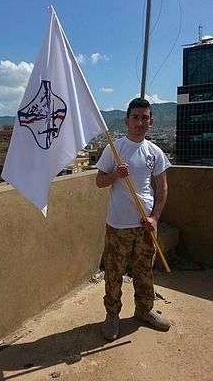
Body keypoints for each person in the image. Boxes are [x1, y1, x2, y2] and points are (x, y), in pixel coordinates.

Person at [96, 98, 171, 341]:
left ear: (151, 121)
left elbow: (162, 189)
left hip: (145, 226)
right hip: (118, 225)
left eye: (144, 118)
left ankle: (144, 310)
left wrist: (155, 218)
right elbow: (99, 181)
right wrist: (115, 175)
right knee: (114, 273)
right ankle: (112, 317)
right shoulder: (114, 149)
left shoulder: (155, 152)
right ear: (127, 120)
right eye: (135, 117)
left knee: (144, 271)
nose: (140, 122)